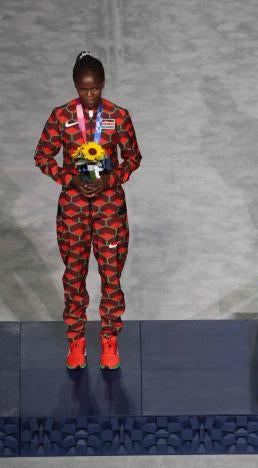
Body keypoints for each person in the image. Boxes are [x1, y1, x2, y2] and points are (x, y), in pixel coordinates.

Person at [34, 52, 142, 369]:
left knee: (111, 276)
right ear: (75, 85)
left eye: (94, 88)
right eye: (83, 89)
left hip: (109, 206)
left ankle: (109, 340)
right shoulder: (61, 116)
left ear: (103, 84)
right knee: (73, 276)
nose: (89, 94)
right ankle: (76, 341)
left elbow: (133, 157)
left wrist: (111, 178)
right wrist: (69, 179)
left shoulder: (118, 116)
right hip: (74, 207)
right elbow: (42, 156)